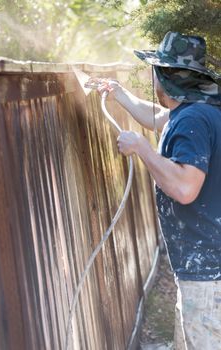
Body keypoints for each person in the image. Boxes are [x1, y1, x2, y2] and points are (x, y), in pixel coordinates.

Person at [88, 31, 221, 349]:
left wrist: (142, 149)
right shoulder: (196, 112)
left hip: (207, 277)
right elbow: (160, 117)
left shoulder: (193, 122)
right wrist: (118, 93)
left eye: (156, 70)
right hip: (203, 269)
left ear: (168, 76)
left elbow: (186, 188)